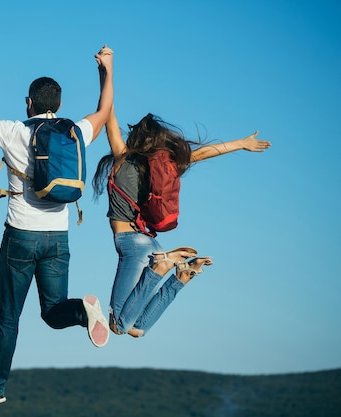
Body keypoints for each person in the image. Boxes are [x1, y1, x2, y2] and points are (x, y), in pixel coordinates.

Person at [0, 45, 114, 405]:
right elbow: (103, 110)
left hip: (20, 237)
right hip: (58, 239)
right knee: (53, 312)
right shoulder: (75, 132)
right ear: (60, 105)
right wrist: (105, 70)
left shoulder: (14, 131)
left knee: (8, 317)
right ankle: (83, 310)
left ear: (29, 102)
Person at [93, 108, 271, 338]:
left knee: (118, 325)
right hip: (150, 245)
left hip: (132, 245)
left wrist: (105, 76)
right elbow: (203, 153)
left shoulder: (122, 157)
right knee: (137, 329)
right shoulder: (161, 166)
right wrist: (240, 143)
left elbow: (107, 112)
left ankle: (162, 266)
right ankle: (181, 276)